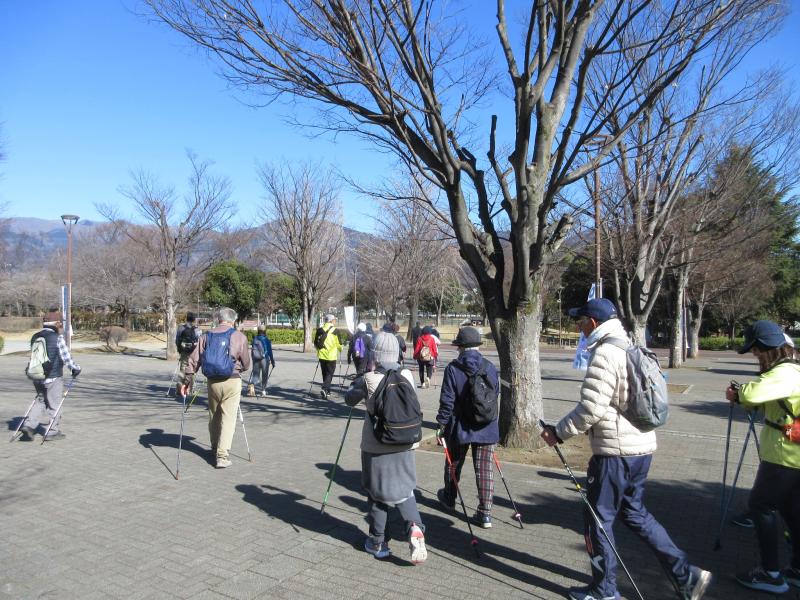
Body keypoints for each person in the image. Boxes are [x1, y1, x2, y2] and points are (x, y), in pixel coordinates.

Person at [540, 298, 712, 600]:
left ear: (593, 323)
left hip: (615, 454)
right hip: (641, 449)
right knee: (635, 514)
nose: (579, 327)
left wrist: (558, 432)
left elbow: (591, 408)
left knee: (598, 521)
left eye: (581, 322)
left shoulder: (605, 353)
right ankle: (686, 574)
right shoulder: (630, 345)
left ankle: (605, 591)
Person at [725, 320, 800, 594]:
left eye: (755, 349)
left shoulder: (783, 373)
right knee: (791, 510)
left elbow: (755, 391)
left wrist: (738, 394)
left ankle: (771, 573)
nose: (754, 355)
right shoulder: (793, 368)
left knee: (761, 506)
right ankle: (796, 569)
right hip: (791, 454)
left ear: (767, 347)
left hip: (783, 455)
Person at [345, 331, 427, 564]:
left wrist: (364, 373)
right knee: (405, 490)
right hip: (406, 442)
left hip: (377, 445)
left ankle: (378, 542)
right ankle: (415, 527)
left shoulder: (369, 379)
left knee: (376, 493)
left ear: (375, 354)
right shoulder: (407, 375)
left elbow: (349, 399)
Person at [435, 326, 498, 528]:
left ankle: (449, 498)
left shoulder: (453, 368)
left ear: (460, 347)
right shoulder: (489, 366)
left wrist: (441, 424)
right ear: (477, 345)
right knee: (484, 469)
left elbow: (447, 401)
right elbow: (494, 395)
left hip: (460, 425)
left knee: (453, 463)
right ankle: (485, 513)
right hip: (486, 425)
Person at [180, 307, 251, 469]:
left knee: (214, 415)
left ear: (219, 319)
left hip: (212, 381)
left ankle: (214, 447)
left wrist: (187, 381)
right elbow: (246, 363)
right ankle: (222, 456)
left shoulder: (206, 336)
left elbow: (194, 360)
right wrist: (239, 367)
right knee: (228, 418)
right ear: (233, 320)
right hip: (232, 380)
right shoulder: (239, 336)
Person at [19, 311, 81, 441]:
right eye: (61, 323)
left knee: (41, 400)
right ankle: (52, 432)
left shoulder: (35, 336)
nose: (61, 326)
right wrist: (75, 368)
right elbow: (66, 356)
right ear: (57, 323)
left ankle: (29, 426)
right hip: (53, 377)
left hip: (36, 375)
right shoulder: (57, 338)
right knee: (55, 404)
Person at [316, 314, 342, 399]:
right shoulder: (335, 330)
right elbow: (339, 344)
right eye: (334, 320)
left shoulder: (319, 330)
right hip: (331, 356)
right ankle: (324, 389)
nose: (335, 321)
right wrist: (340, 349)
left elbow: (315, 342)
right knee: (330, 373)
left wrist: (319, 350)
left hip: (322, 355)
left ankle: (327, 391)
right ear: (331, 321)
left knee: (325, 373)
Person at [175, 312, 200, 393]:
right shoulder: (196, 329)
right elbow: (199, 341)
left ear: (186, 318)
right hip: (193, 352)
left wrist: (179, 350)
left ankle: (179, 389)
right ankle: (191, 389)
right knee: (192, 370)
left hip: (184, 352)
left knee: (182, 370)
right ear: (194, 319)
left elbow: (177, 340)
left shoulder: (181, 328)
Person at [250, 325, 275, 397]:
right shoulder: (266, 340)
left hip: (256, 359)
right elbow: (270, 352)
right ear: (265, 331)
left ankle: (252, 389)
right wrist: (272, 361)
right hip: (265, 360)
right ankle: (263, 391)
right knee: (264, 375)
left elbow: (253, 350)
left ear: (258, 331)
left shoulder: (255, 339)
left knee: (255, 375)